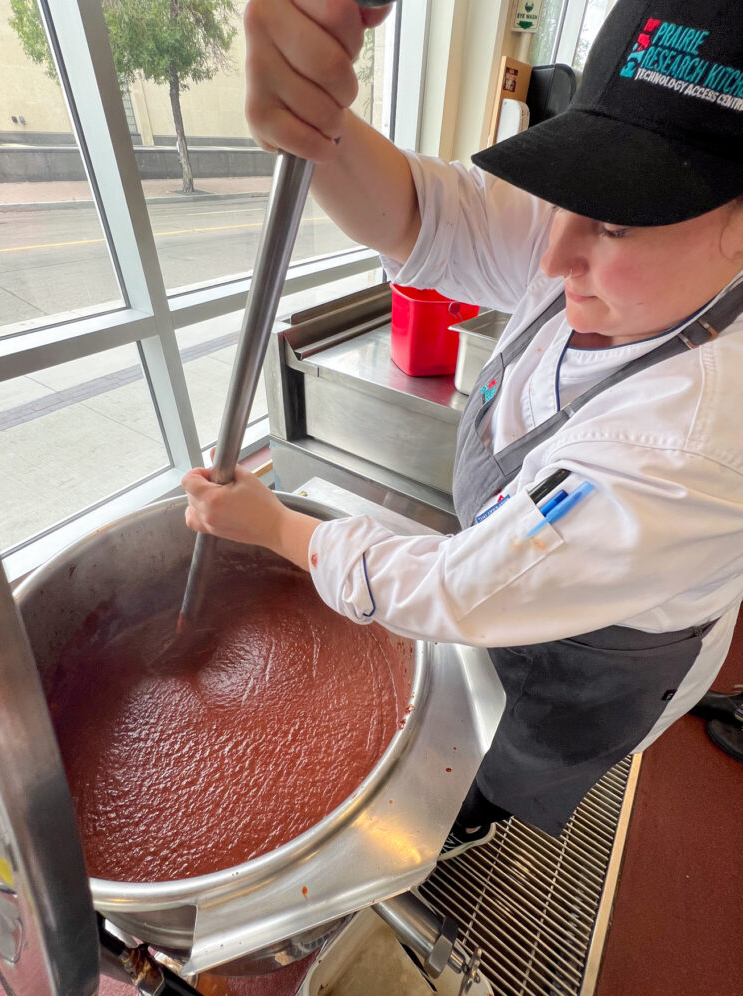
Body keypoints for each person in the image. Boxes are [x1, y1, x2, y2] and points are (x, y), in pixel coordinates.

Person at [183, 0, 743, 856]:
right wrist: (312, 115)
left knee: (499, 769)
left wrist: (278, 528)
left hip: (597, 667)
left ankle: (468, 825)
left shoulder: (689, 442)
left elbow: (456, 589)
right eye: (567, 197)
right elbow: (426, 216)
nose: (554, 261)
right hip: (517, 579)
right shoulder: (639, 268)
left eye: (617, 220)